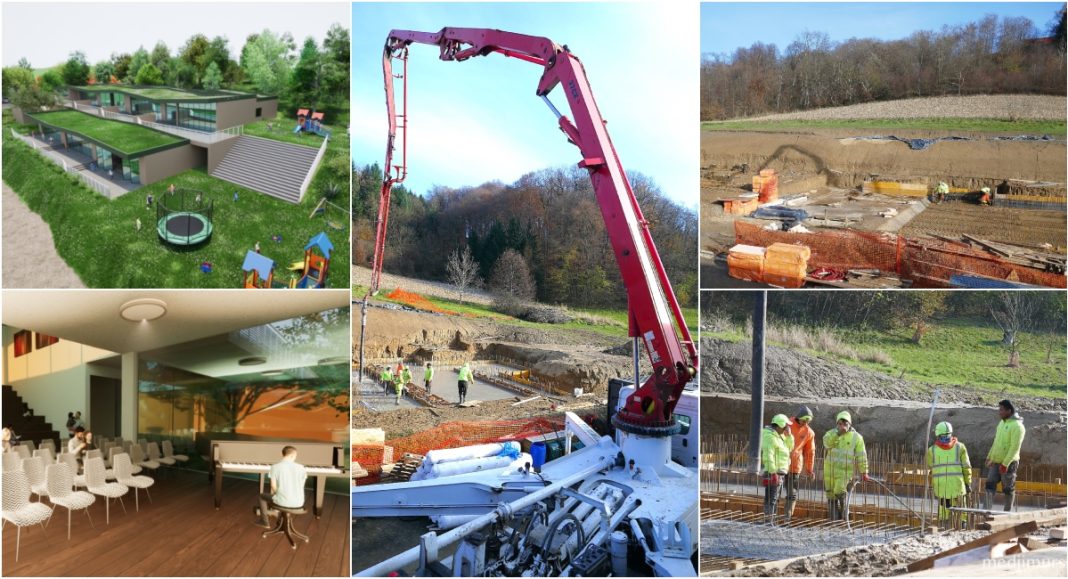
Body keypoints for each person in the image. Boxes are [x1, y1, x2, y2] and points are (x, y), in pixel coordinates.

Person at [823, 411, 871, 521]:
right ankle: (834, 520)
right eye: (839, 423)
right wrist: (838, 434)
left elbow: (861, 456)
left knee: (839, 491)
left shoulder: (857, 437)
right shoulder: (831, 434)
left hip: (844, 471)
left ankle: (845, 512)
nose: (842, 426)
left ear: (849, 424)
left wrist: (864, 472)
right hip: (829, 471)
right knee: (831, 496)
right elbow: (827, 444)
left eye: (844, 423)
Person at [927, 421, 971, 530]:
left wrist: (930, 485)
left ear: (937, 434)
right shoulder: (960, 447)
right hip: (957, 485)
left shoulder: (931, 450)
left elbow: (929, 470)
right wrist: (968, 482)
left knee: (943, 509)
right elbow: (966, 467)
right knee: (960, 509)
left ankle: (944, 526)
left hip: (941, 487)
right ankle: (962, 525)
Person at [985, 399, 1025, 512]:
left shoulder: (1018, 427)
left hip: (1009, 463)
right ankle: (986, 511)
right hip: (996, 461)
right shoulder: (1002, 423)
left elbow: (1014, 448)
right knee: (989, 485)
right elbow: (996, 442)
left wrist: (1005, 464)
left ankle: (1007, 512)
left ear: (1009, 410)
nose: (999, 412)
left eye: (1002, 410)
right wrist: (990, 456)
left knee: (1008, 489)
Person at [256, 446, 308, 528]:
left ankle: (265, 522)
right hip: (299, 502)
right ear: (292, 455)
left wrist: (280, 494)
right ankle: (277, 515)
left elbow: (273, 486)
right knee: (280, 497)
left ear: (283, 454)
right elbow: (301, 485)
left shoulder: (275, 467)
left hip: (283, 501)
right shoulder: (301, 467)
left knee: (261, 496)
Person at [761, 414, 793, 525]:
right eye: (785, 426)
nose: (787, 429)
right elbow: (769, 455)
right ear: (780, 425)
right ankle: (769, 521)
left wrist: (789, 436)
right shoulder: (770, 436)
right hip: (773, 472)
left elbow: (790, 448)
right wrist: (773, 472)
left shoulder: (780, 436)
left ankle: (770, 520)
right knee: (771, 498)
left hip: (779, 472)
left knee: (774, 498)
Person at [785, 405, 816, 522]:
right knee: (774, 493)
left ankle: (787, 518)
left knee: (792, 494)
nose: (806, 423)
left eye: (808, 421)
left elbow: (810, 452)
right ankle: (770, 518)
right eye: (804, 420)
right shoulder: (787, 424)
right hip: (780, 464)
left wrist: (809, 469)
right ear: (799, 417)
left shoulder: (809, 432)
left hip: (795, 466)